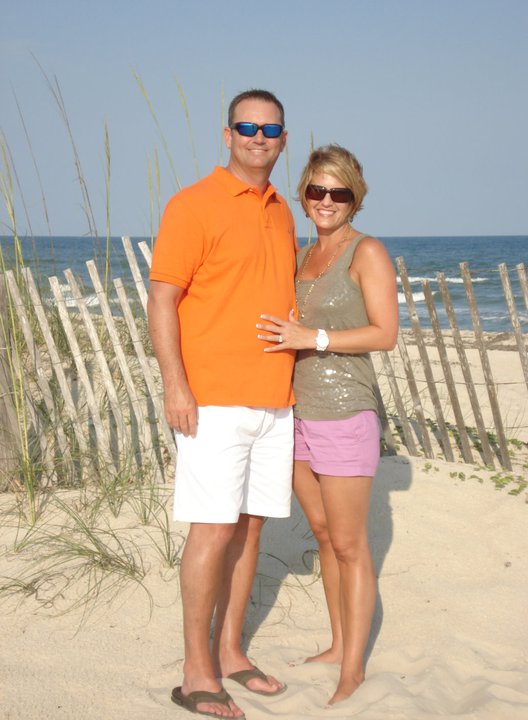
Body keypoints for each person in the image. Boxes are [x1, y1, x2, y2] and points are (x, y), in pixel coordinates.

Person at [148, 89, 297, 719]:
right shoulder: (192, 204)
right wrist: (175, 385)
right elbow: (162, 298)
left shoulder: (283, 210)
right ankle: (196, 672)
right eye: (247, 126)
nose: (259, 137)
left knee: (251, 526)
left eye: (271, 129)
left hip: (276, 399)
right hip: (212, 400)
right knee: (212, 528)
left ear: (283, 139)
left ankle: (231, 651)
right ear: (227, 133)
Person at [256, 144, 398, 706]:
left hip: (345, 413)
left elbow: (385, 333)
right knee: (321, 535)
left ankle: (353, 669)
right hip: (296, 413)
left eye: (339, 192)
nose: (327, 201)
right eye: (317, 190)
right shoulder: (299, 256)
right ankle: (339, 645)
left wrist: (310, 337)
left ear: (354, 198)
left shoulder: (367, 252)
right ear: (304, 194)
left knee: (349, 544)